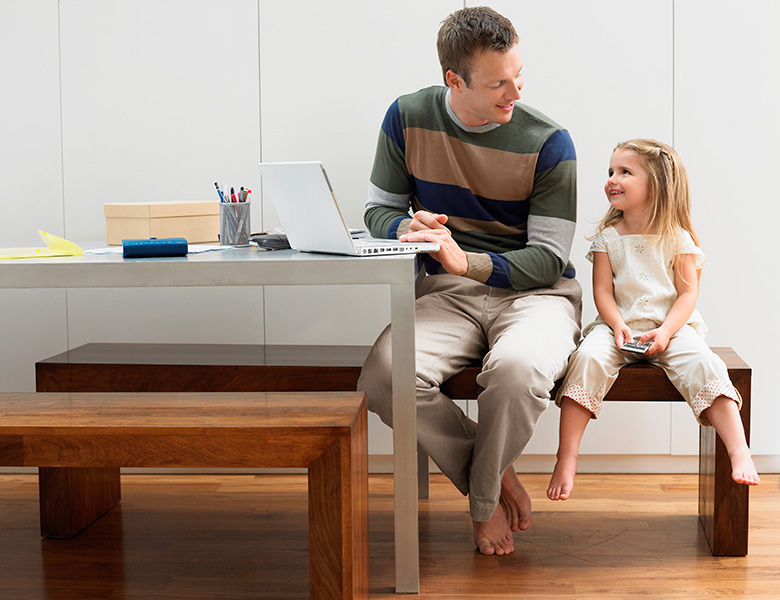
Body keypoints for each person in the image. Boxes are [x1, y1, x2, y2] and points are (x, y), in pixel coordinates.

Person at [356, 6, 582, 556]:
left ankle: (481, 507)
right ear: (453, 80)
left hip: (537, 296)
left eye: (519, 74)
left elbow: (549, 258)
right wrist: (405, 224)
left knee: (516, 370)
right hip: (447, 297)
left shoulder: (550, 141)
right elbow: (376, 211)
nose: (516, 90)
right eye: (498, 82)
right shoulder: (406, 117)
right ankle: (494, 476)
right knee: (384, 375)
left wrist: (472, 263)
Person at [546, 138, 760, 502]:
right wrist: (617, 325)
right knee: (587, 359)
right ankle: (567, 456)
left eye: (625, 172)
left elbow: (688, 295)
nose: (612, 179)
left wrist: (666, 331)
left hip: (672, 328)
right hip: (619, 326)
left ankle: (738, 449)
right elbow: (603, 294)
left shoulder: (678, 239)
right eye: (611, 171)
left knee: (706, 363)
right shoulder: (607, 239)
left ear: (656, 184)